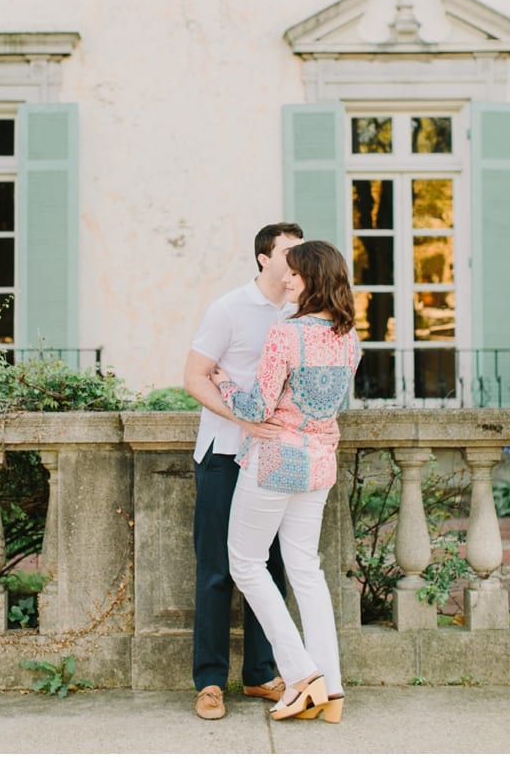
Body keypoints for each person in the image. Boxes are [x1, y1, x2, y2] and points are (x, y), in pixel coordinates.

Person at [213, 240, 362, 723]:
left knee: (246, 564)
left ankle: (301, 675)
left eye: (295, 275)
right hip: (319, 463)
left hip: (277, 461)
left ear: (313, 279)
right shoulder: (349, 338)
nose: (287, 280)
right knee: (305, 570)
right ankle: (332, 688)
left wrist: (224, 384)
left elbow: (257, 408)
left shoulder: (286, 334)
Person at [181, 222, 302, 720]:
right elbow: (193, 377)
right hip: (224, 454)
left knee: (270, 567)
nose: (298, 258)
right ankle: (210, 682)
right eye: (289, 251)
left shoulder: (302, 311)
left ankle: (261, 674)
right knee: (215, 571)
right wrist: (246, 419)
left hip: (276, 460)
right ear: (263, 258)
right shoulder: (228, 309)